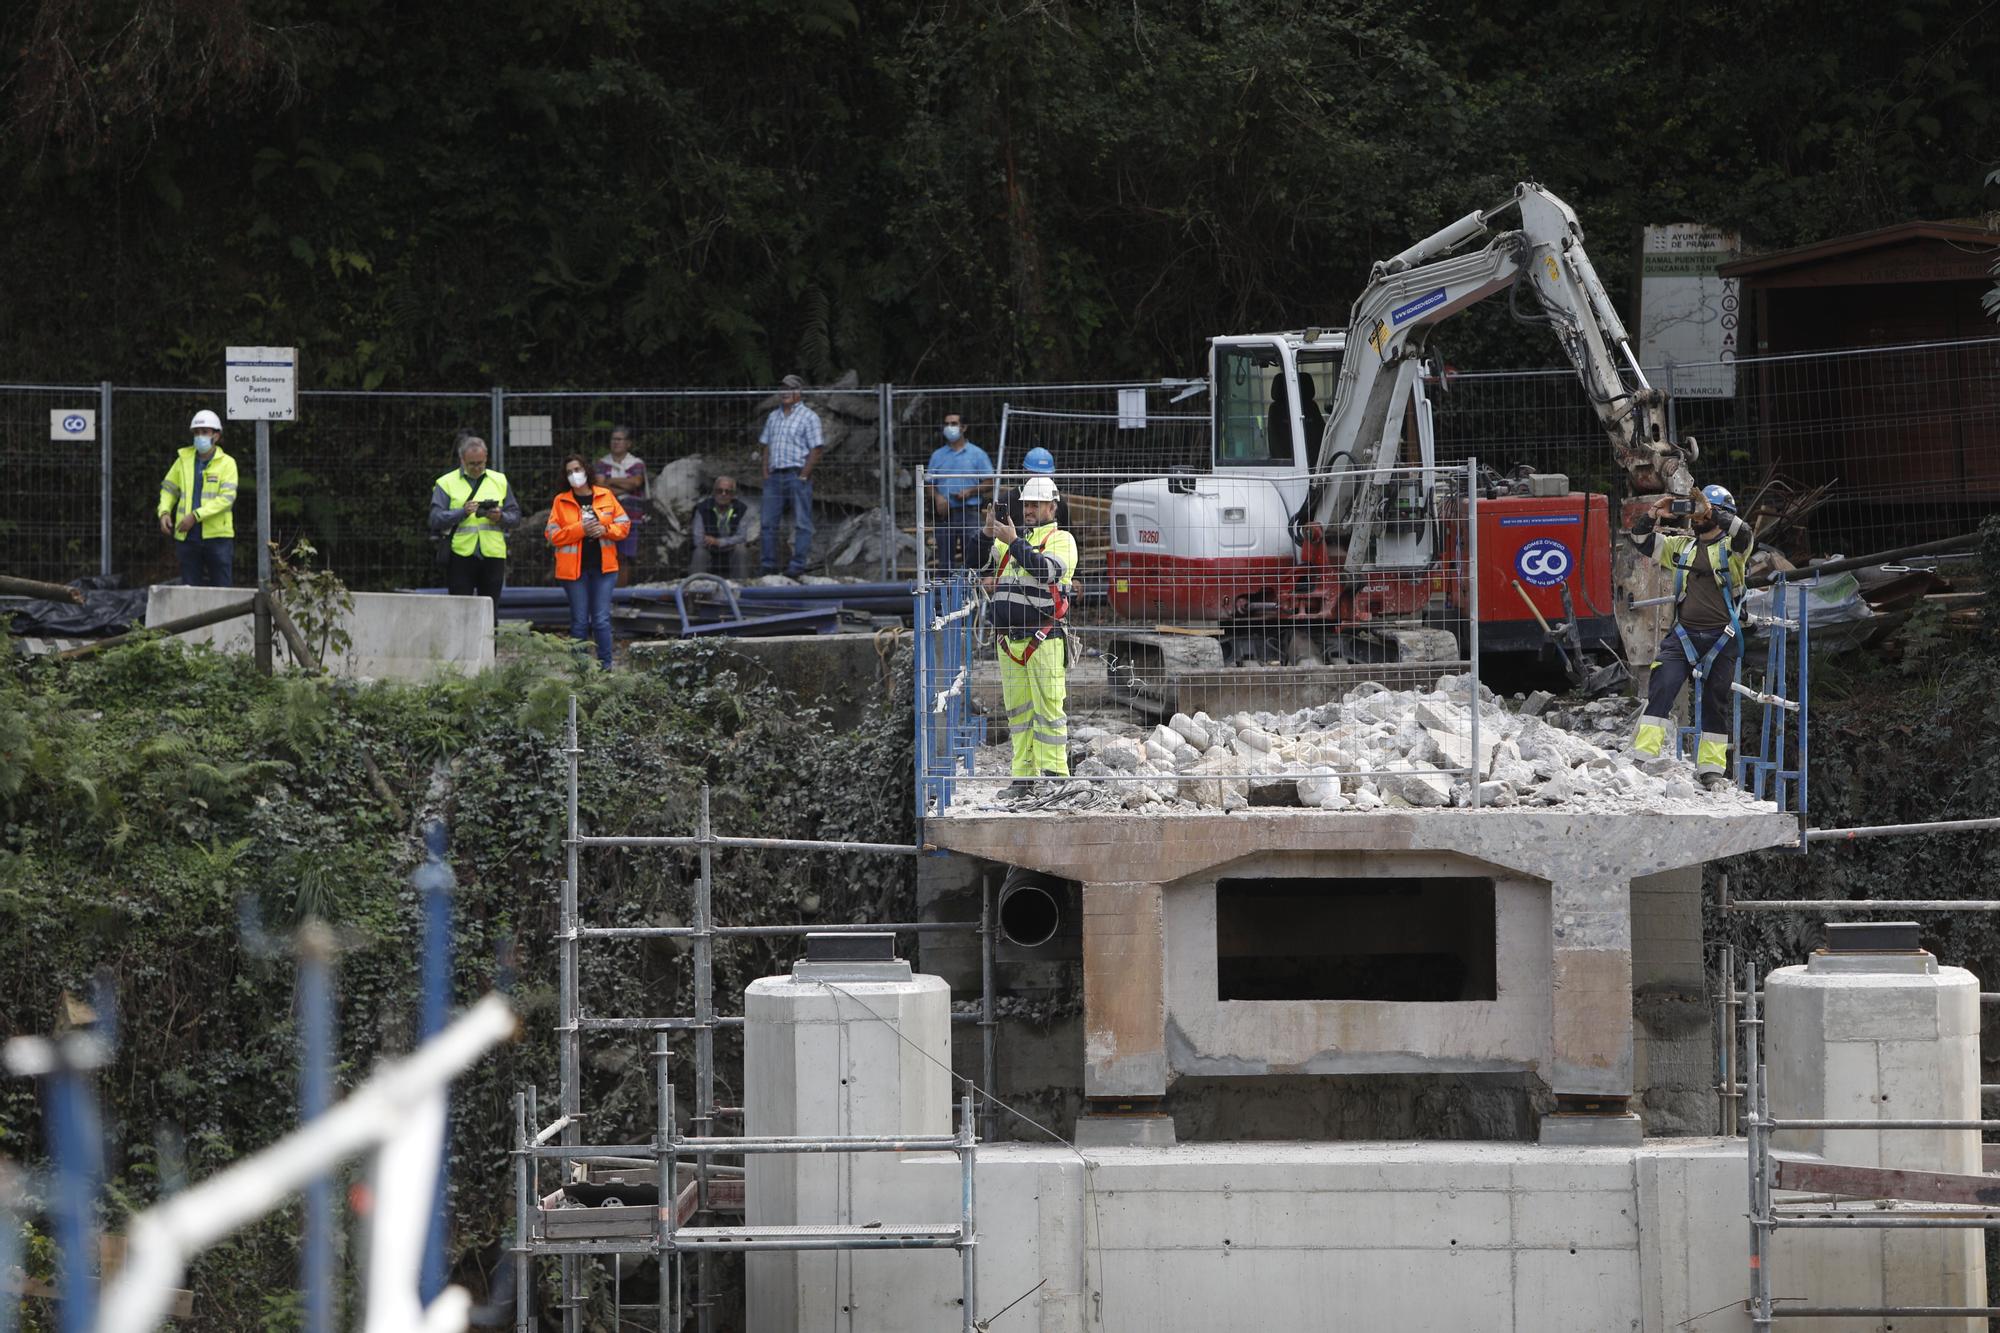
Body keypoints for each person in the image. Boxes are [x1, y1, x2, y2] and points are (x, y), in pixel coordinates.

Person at [1630, 484, 1755, 790]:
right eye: (1695, 513)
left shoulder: (1733, 550)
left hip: (1721, 637)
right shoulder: (1681, 547)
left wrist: (1713, 512)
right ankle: (1641, 758)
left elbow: (1744, 534)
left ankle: (1711, 769)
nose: (1697, 518)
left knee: (1715, 700)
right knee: (1662, 687)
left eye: (1702, 512)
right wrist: (1653, 513)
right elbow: (1641, 540)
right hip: (1683, 635)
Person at [984, 474, 1078, 796]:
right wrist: (987, 533)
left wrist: (1013, 542)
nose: (1029, 509)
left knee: (1049, 712)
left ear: (1053, 506)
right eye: (1026, 504)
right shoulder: (1009, 541)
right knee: (1019, 715)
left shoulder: (1061, 539)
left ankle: (1055, 778)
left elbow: (1045, 570)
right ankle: (1023, 779)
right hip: (1009, 642)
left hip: (1044, 640)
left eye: (1036, 504)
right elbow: (974, 564)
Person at [545, 453, 630, 668]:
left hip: (604, 569)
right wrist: (580, 529)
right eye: (569, 472)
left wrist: (605, 529)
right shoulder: (561, 500)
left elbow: (624, 526)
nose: (575, 475)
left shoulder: (605, 495)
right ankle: (580, 672)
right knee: (580, 622)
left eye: (577, 469)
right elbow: (552, 535)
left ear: (586, 470)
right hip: (574, 572)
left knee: (601, 620)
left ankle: (606, 669)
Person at [429, 434, 520, 620]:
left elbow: (516, 517)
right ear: (462, 460)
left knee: (490, 613)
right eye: (472, 464)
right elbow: (435, 519)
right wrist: (461, 512)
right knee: (459, 612)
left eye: (480, 463)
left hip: (493, 554)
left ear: (486, 457)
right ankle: (461, 650)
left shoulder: (500, 480)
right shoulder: (445, 483)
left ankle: (488, 650)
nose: (477, 468)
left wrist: (500, 516)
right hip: (460, 555)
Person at [157, 409, 239, 587]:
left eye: (205, 432)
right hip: (187, 537)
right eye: (196, 433)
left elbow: (226, 499)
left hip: (218, 538)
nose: (199, 436)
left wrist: (195, 516)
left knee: (222, 589)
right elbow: (169, 489)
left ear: (216, 436)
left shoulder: (227, 463)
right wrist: (164, 512)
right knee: (190, 589)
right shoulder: (183, 460)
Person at [757, 373, 823, 577]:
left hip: (797, 475)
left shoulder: (809, 417)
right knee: (768, 523)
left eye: (790, 388)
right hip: (774, 477)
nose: (785, 392)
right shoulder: (773, 416)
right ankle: (768, 566)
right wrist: (765, 471)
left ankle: (797, 566)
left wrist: (804, 474)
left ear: (799, 392)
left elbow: (817, 449)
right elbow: (766, 445)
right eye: (783, 388)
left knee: (802, 523)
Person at [924, 412, 994, 571]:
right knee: (944, 562)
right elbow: (928, 483)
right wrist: (937, 498)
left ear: (964, 427)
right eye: (946, 424)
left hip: (970, 512)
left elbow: (990, 482)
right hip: (944, 513)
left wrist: (970, 491)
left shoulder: (978, 454)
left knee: (972, 556)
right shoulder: (937, 455)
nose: (949, 427)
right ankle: (945, 594)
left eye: (954, 423)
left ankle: (971, 592)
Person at [592, 425, 649, 586]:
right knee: (606, 554)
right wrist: (623, 484)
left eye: (619, 439)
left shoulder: (637, 464)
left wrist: (610, 481)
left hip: (630, 515)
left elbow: (635, 483)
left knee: (624, 556)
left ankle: (621, 593)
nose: (615, 442)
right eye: (613, 439)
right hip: (606, 516)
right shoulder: (602, 463)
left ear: (628, 443)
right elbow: (599, 487)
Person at [690, 475, 751, 579]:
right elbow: (698, 539)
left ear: (733, 495)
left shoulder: (741, 509)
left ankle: (742, 587)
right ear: (714, 492)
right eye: (719, 491)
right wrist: (714, 544)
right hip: (708, 550)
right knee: (699, 552)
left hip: (731, 550)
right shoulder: (702, 508)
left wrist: (719, 542)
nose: (723, 494)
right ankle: (695, 587)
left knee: (741, 550)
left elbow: (742, 537)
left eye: (727, 491)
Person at [1002, 446, 1071, 529]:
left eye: (1044, 476)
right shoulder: (1008, 500)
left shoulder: (1058, 500)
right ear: (1024, 473)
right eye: (1035, 474)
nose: (1039, 480)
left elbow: (1068, 533)